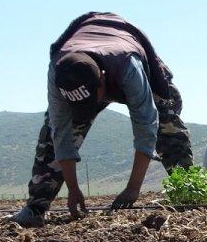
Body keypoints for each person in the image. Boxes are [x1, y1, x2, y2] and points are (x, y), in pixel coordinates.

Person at [10, 12, 193, 227]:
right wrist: (73, 188)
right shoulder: (58, 73)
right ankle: (36, 207)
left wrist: (133, 188)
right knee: (50, 137)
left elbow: (146, 125)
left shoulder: (129, 67)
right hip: (89, 59)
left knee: (167, 122)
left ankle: (190, 193)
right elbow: (60, 133)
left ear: (103, 79)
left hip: (126, 53)